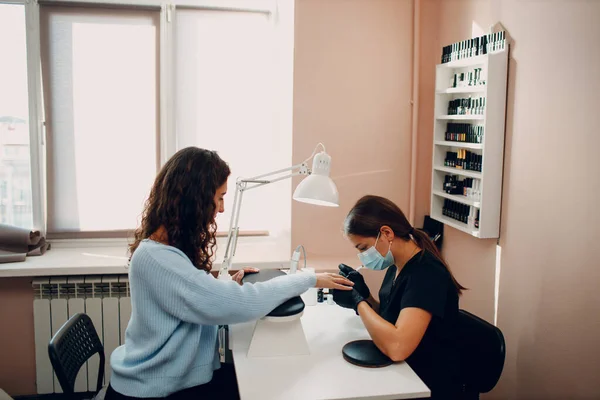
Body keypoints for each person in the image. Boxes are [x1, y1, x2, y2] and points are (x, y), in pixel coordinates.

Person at [106, 147, 353, 399]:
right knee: (267, 387)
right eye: (220, 197)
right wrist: (306, 279)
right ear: (196, 199)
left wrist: (224, 285)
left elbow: (192, 296)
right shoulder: (158, 259)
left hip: (170, 378)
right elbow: (241, 303)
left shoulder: (164, 250)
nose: (222, 209)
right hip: (153, 389)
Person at [333, 195, 466, 400]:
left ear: (386, 233)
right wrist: (364, 295)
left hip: (428, 384)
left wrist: (358, 303)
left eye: (363, 248)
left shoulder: (426, 274)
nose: (363, 256)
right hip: (404, 372)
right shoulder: (396, 266)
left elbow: (397, 347)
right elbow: (390, 319)